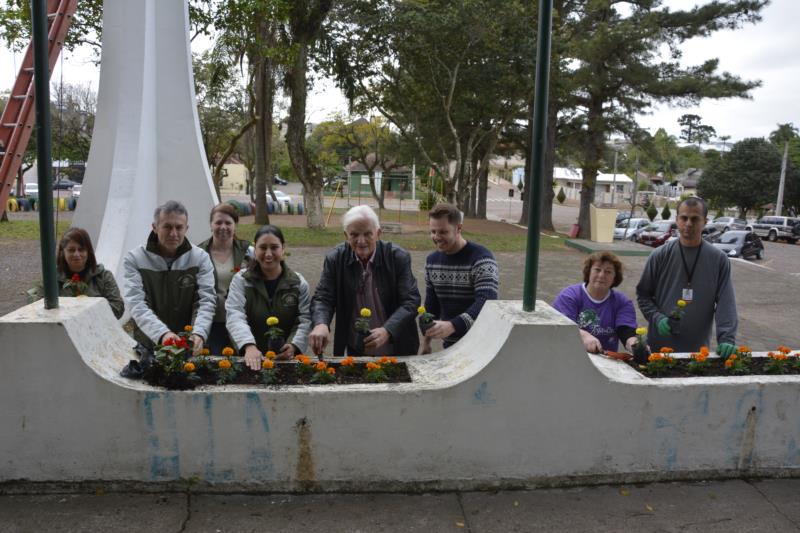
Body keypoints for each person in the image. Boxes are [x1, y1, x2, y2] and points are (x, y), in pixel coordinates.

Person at [309, 205, 421, 357]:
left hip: (397, 346)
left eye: (368, 234)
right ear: (345, 235)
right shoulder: (335, 259)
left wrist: (387, 330)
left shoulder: (397, 257)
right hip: (357, 348)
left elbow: (411, 301)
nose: (361, 241)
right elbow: (323, 297)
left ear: (378, 233)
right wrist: (321, 323)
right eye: (354, 234)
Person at [636, 197, 738, 356]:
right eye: (684, 218)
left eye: (695, 219)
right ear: (676, 219)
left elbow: (726, 304)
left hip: (697, 352)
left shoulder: (718, 260)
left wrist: (726, 338)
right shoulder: (659, 255)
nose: (688, 224)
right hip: (659, 350)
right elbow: (643, 295)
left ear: (705, 221)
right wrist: (657, 318)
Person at [122, 200, 216, 354]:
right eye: (167, 226)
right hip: (149, 343)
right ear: (155, 227)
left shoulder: (200, 258)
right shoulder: (135, 259)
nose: (173, 233)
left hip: (188, 344)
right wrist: (162, 334)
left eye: (179, 227)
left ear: (186, 228)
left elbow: (206, 300)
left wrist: (199, 333)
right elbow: (137, 303)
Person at [226, 225, 311, 370]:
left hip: (287, 361)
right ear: (255, 249)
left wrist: (293, 345)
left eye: (274, 247)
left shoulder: (298, 283)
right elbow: (235, 314)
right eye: (263, 247)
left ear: (283, 248)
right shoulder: (241, 280)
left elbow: (305, 318)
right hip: (250, 360)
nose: (268, 254)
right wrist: (249, 346)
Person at [421, 203, 499, 353]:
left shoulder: (482, 259)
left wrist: (452, 325)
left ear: (458, 228)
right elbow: (432, 306)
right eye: (432, 231)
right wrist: (426, 342)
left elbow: (486, 301)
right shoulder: (432, 261)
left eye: (443, 232)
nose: (436, 237)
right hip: (450, 347)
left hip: (482, 345)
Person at [28, 227, 125, 319]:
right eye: (71, 250)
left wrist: (88, 309)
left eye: (81, 249)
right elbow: (38, 307)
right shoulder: (51, 278)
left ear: (88, 252)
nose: (76, 254)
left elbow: (118, 308)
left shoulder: (104, 276)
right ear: (63, 252)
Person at [553, 251, 638, 354]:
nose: (601, 275)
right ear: (589, 272)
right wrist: (584, 336)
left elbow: (626, 331)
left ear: (614, 278)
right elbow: (562, 328)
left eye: (608, 272)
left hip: (606, 361)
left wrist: (634, 344)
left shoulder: (622, 302)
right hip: (569, 355)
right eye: (597, 270)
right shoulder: (568, 296)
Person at [197, 203, 251, 354]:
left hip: (242, 323)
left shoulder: (249, 253)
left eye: (228, 223)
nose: (223, 227)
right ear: (211, 225)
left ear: (235, 225)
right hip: (210, 324)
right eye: (218, 222)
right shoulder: (198, 254)